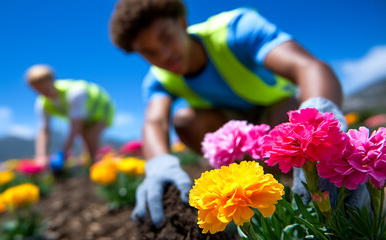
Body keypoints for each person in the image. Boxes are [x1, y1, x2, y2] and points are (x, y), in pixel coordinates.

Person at [109, 0, 368, 227]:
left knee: (293, 118)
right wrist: (158, 164)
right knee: (184, 120)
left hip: (279, 116)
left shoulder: (235, 29)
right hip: (234, 131)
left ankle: (305, 183)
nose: (163, 55)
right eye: (149, 52)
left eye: (166, 37)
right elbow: (155, 120)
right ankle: (253, 203)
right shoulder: (158, 80)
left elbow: (309, 67)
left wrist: (321, 121)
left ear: (181, 21)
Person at [26, 65, 114, 170]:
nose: (42, 92)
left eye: (44, 87)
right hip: (84, 115)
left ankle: (103, 172)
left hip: (101, 108)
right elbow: (44, 130)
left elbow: (75, 127)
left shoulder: (75, 93)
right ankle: (93, 171)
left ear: (52, 80)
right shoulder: (42, 104)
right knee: (86, 143)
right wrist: (41, 156)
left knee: (90, 137)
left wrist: (62, 153)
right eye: (38, 90)